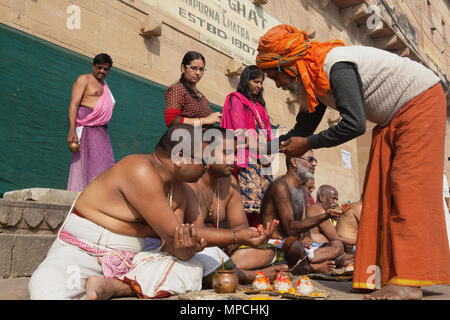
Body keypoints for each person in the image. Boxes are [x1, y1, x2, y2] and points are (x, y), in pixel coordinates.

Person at [256, 24, 449, 299]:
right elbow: (301, 132)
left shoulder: (336, 66)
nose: (277, 84)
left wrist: (307, 144)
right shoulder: (314, 80)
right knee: (378, 194)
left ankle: (409, 282)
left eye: (275, 75)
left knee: (407, 189)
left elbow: (354, 125)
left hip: (419, 102)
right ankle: (381, 276)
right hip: (391, 117)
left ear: (288, 64)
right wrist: (260, 146)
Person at [29, 124, 273, 300]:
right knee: (48, 291)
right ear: (179, 157)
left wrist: (187, 249)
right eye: (203, 159)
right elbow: (173, 232)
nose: (207, 165)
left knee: (193, 268)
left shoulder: (180, 190)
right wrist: (238, 237)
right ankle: (111, 285)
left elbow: (174, 244)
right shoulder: (140, 168)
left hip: (137, 259)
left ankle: (113, 288)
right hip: (83, 251)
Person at [184, 127, 287, 284]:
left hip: (223, 250)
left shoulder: (230, 182)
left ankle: (227, 270)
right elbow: (199, 235)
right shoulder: (191, 182)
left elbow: (241, 225)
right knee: (204, 257)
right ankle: (252, 274)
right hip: (196, 250)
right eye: (226, 153)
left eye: (235, 153)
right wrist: (232, 238)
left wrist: (245, 238)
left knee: (268, 251)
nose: (233, 159)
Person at [260, 154, 345, 275]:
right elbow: (290, 227)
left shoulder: (301, 191)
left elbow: (305, 226)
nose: (314, 163)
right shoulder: (281, 186)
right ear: (294, 161)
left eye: (315, 160)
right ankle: (312, 268)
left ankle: (303, 264)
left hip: (300, 247)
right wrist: (326, 215)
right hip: (279, 244)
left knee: (338, 246)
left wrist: (307, 238)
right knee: (293, 244)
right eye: (310, 159)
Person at [220, 65, 274, 227]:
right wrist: (263, 149)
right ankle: (243, 238)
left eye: (261, 82)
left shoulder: (259, 105)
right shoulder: (236, 98)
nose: (259, 85)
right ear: (246, 80)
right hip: (246, 157)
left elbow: (268, 131)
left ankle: (258, 238)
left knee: (264, 205)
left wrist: (269, 151)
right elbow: (240, 132)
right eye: (255, 81)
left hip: (262, 159)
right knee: (245, 203)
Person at [67, 53, 116, 192]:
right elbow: (73, 105)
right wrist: (71, 130)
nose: (102, 71)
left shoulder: (105, 85)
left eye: (106, 69)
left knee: (105, 163)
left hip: (101, 129)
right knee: (83, 162)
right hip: (85, 125)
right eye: (99, 67)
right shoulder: (84, 79)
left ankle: (100, 194)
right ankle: (80, 194)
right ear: (93, 66)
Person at [164, 51, 221, 127]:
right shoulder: (177, 89)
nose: (198, 73)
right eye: (194, 68)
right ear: (183, 68)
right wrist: (205, 120)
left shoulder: (203, 98)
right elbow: (171, 120)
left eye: (201, 69)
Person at [307, 185, 356, 266]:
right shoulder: (319, 211)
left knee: (352, 253)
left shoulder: (317, 209)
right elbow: (335, 238)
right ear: (322, 197)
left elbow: (333, 235)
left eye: (336, 200)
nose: (336, 203)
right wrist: (360, 242)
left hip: (322, 250)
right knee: (357, 252)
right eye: (333, 199)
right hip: (319, 251)